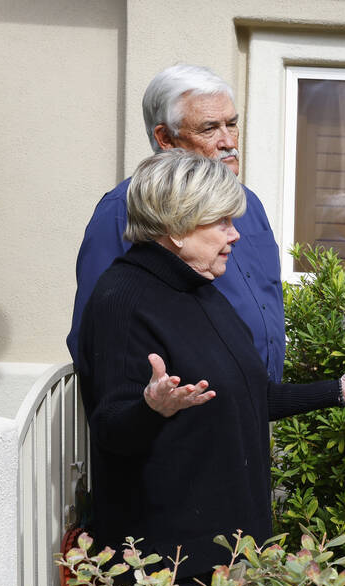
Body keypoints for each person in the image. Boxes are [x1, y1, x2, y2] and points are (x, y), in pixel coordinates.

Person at [76, 150, 345, 586]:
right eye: (221, 222)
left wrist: (338, 389)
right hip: (173, 566)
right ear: (177, 226)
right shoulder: (122, 299)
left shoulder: (201, 290)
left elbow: (248, 396)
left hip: (233, 549)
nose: (235, 234)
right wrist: (152, 407)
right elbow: (111, 425)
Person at [69, 64, 286, 382]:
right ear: (165, 138)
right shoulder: (125, 208)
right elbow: (96, 334)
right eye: (210, 128)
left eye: (232, 124)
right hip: (183, 417)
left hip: (254, 411)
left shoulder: (249, 203)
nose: (228, 141)